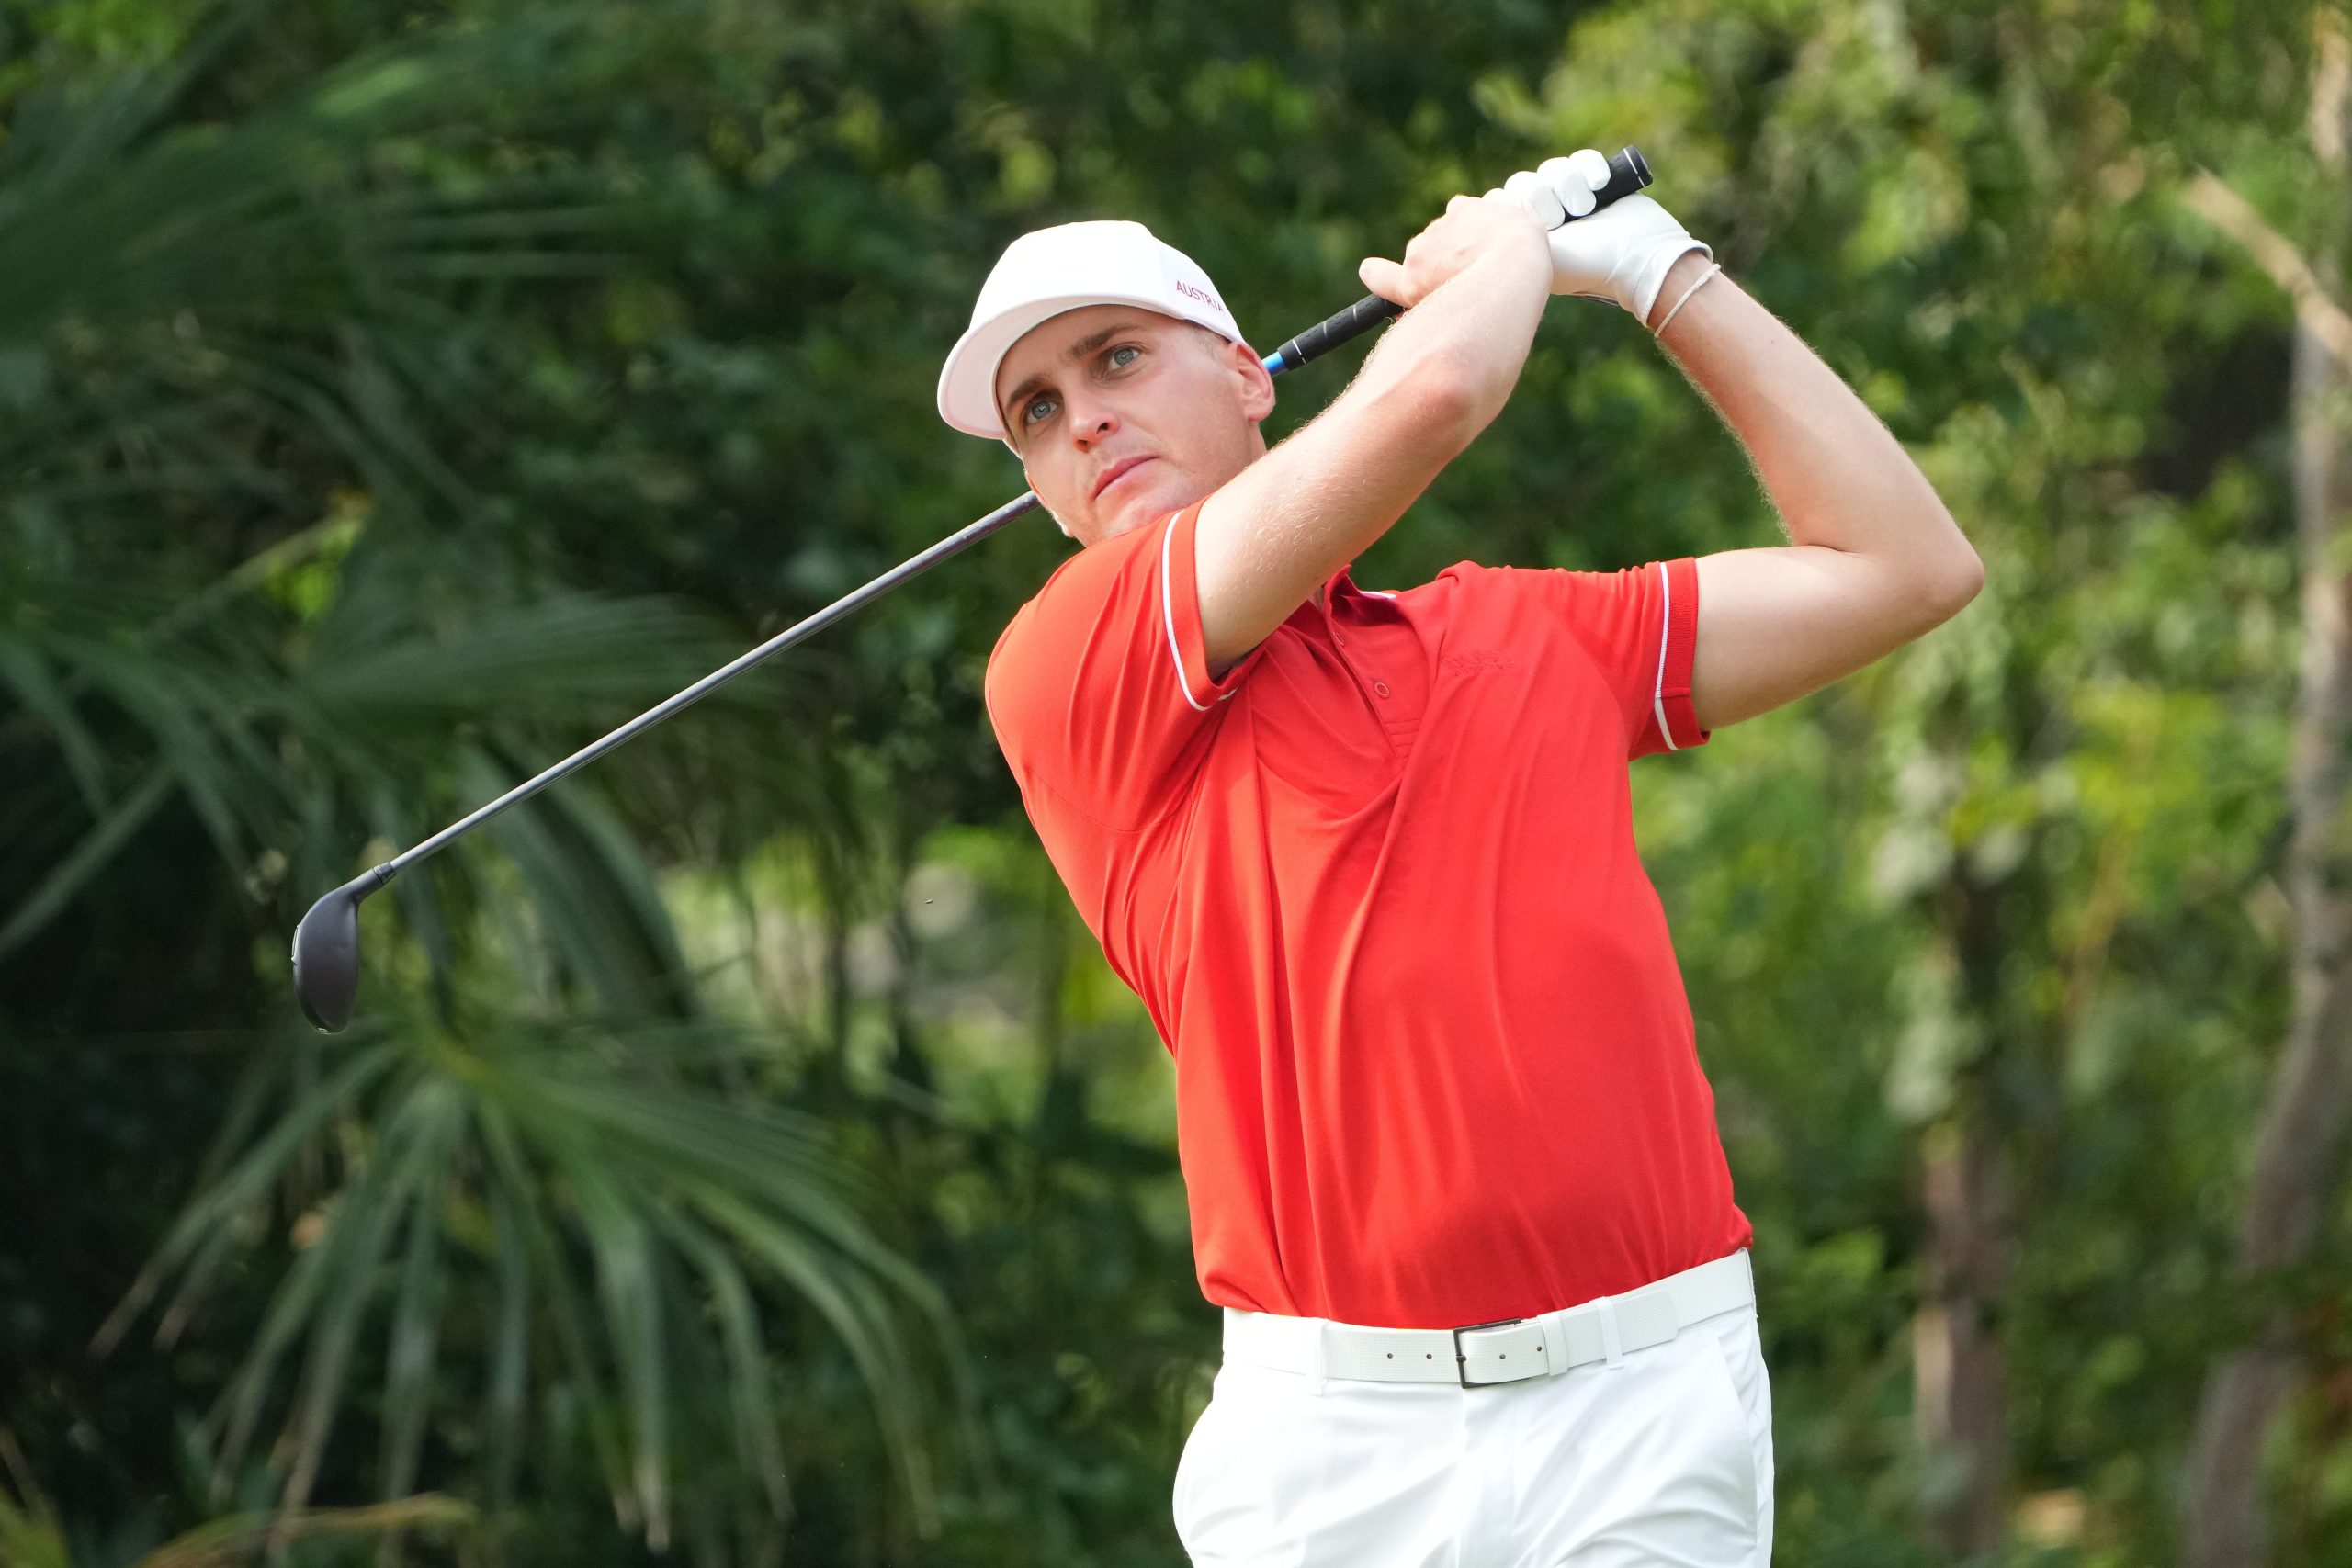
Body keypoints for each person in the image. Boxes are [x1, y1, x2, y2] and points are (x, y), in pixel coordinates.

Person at [934, 150, 1982, 1567]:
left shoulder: (1526, 632)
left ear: (1249, 377)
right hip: (1332, 1447)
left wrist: (1664, 276)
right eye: (1038, 413)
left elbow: (1906, 568)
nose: (1084, 420)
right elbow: (1434, 394)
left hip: (1644, 1403)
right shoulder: (1067, 664)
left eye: (1117, 357)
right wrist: (1504, 253)